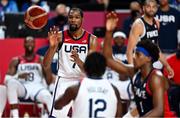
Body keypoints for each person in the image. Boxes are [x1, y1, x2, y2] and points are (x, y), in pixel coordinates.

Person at [104, 11, 177, 117]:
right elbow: (108, 59)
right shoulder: (134, 72)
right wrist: (109, 32)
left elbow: (159, 111)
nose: (133, 56)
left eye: (138, 54)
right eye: (134, 53)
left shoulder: (156, 78)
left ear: (148, 58)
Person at [43, 7, 97, 117]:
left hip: (82, 82)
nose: (73, 20)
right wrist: (52, 47)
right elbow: (45, 65)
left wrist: (78, 60)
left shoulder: (91, 39)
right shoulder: (59, 36)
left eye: (77, 17)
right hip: (64, 80)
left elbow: (90, 71)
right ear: (68, 19)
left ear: (82, 19)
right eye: (71, 17)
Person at [54, 52, 122, 117]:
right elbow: (118, 116)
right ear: (104, 69)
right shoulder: (114, 90)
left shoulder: (75, 89)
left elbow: (57, 106)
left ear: (86, 67)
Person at [4, 36, 53, 118]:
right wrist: (18, 76)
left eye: (32, 42)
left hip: (37, 87)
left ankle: (53, 116)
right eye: (27, 42)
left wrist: (47, 67)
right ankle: (15, 116)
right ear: (24, 44)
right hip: (23, 87)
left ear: (34, 44)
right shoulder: (16, 60)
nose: (30, 44)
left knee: (48, 96)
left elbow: (49, 81)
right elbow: (6, 80)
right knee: (11, 83)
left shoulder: (41, 59)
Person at [126, 0, 174, 78]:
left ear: (157, 8)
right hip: (141, 65)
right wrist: (133, 71)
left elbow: (156, 48)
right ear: (143, 8)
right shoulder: (138, 25)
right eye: (148, 6)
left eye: (153, 7)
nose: (151, 9)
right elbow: (129, 51)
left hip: (154, 63)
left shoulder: (157, 23)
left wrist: (167, 66)